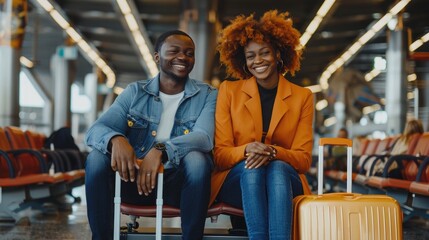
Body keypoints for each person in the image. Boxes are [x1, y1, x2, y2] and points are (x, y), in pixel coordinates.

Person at [84, 30, 217, 240]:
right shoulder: (135, 92)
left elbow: (204, 137)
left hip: (178, 184)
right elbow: (96, 130)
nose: (182, 57)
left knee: (197, 159)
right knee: (96, 158)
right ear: (157, 57)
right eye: (174, 51)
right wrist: (115, 139)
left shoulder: (208, 95)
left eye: (189, 53)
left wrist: (161, 150)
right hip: (133, 181)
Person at [211, 10, 313, 240]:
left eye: (264, 53)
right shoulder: (229, 91)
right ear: (244, 62)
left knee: (276, 168)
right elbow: (220, 155)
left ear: (278, 54)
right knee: (253, 168)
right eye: (250, 56)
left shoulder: (302, 96)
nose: (258, 61)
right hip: (239, 181)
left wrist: (272, 153)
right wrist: (247, 150)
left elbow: (304, 160)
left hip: (285, 180)